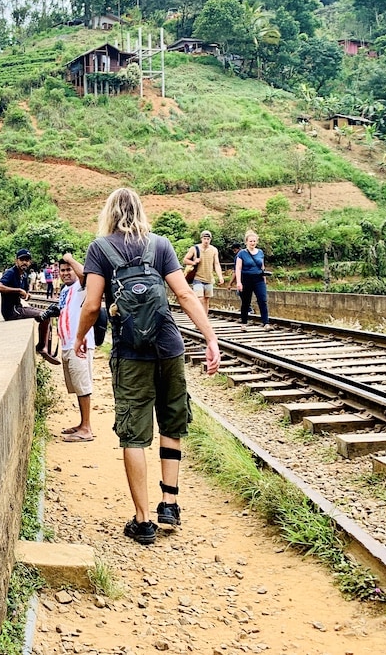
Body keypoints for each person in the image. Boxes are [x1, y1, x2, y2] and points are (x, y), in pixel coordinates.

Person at [74, 188, 220, 546]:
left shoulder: (100, 248)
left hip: (130, 351)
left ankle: (143, 522)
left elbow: (92, 305)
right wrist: (211, 338)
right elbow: (185, 295)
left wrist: (80, 338)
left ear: (109, 212)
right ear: (140, 210)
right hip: (169, 346)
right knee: (172, 421)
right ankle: (169, 503)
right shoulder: (160, 245)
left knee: (134, 434)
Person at [0, 249, 60, 366]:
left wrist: (26, 295)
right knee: (44, 315)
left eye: (27, 260)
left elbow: (25, 294)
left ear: (30, 262)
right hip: (11, 311)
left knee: (47, 315)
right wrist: (18, 290)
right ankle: (41, 348)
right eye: (22, 260)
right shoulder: (11, 273)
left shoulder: (24, 276)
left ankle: (43, 347)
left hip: (19, 308)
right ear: (16, 261)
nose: (24, 262)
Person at [55, 253, 95, 442]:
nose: (66, 273)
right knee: (78, 386)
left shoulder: (81, 287)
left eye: (68, 269)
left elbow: (86, 275)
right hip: (67, 344)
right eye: (62, 270)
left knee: (83, 385)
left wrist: (70, 259)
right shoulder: (65, 290)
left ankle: (87, 429)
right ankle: (82, 424)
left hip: (80, 343)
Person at [235, 229, 270, 330]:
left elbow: (262, 266)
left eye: (254, 241)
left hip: (258, 279)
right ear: (246, 242)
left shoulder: (260, 252)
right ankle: (244, 323)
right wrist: (238, 282)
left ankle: (266, 323)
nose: (252, 243)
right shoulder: (241, 253)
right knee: (246, 302)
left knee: (262, 300)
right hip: (246, 279)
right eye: (250, 241)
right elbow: (238, 268)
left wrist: (264, 279)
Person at [183, 230, 223, 315]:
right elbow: (185, 260)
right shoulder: (194, 249)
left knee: (206, 299)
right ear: (201, 239)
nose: (206, 240)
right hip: (198, 277)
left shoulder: (214, 250)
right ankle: (199, 319)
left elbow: (216, 264)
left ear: (210, 239)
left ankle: (205, 319)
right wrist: (194, 262)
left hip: (209, 278)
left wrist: (220, 276)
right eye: (204, 238)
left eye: (208, 239)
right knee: (200, 298)